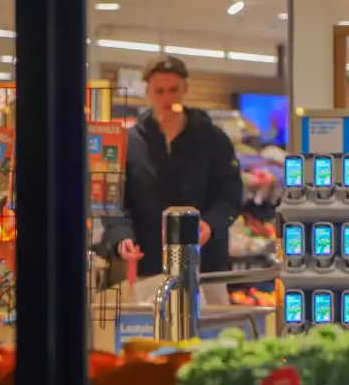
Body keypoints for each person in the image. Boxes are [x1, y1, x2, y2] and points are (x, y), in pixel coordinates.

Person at [101, 54, 244, 278]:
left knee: (209, 313)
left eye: (173, 89)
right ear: (147, 91)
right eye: (159, 91)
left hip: (205, 267)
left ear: (185, 89)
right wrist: (121, 235)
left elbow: (231, 196)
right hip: (148, 266)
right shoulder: (129, 143)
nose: (167, 97)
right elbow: (114, 200)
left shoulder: (213, 139)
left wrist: (211, 224)